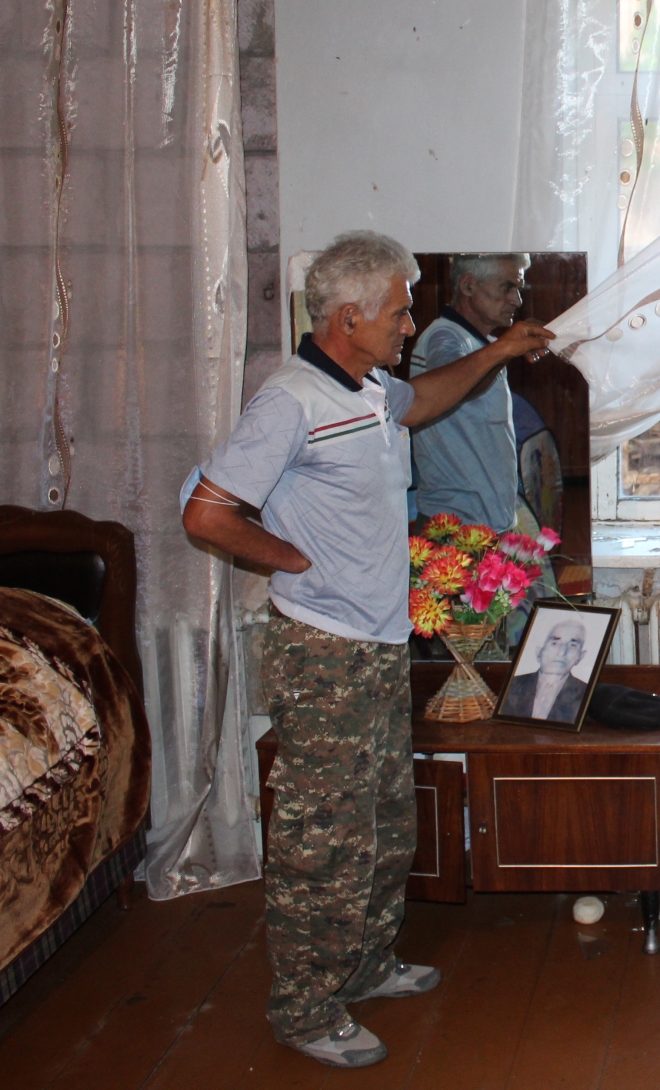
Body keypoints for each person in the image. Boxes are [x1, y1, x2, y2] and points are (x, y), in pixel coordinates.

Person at [180, 232, 552, 1069]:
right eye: (398, 312)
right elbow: (207, 512)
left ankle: (366, 964)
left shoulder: (368, 386)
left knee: (384, 821)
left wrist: (499, 350)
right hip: (324, 653)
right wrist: (292, 559)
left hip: (378, 643)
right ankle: (305, 1007)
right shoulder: (291, 401)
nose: (410, 325)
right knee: (324, 838)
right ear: (348, 317)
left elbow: (419, 403)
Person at [410, 253, 532, 532]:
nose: (516, 300)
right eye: (507, 287)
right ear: (468, 286)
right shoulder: (445, 337)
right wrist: (504, 349)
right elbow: (454, 387)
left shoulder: (483, 344)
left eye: (518, 289)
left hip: (485, 522)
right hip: (455, 527)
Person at [500, 614, 591, 724]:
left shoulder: (587, 693)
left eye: (573, 645)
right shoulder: (512, 684)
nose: (561, 652)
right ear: (539, 652)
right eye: (554, 643)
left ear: (580, 656)